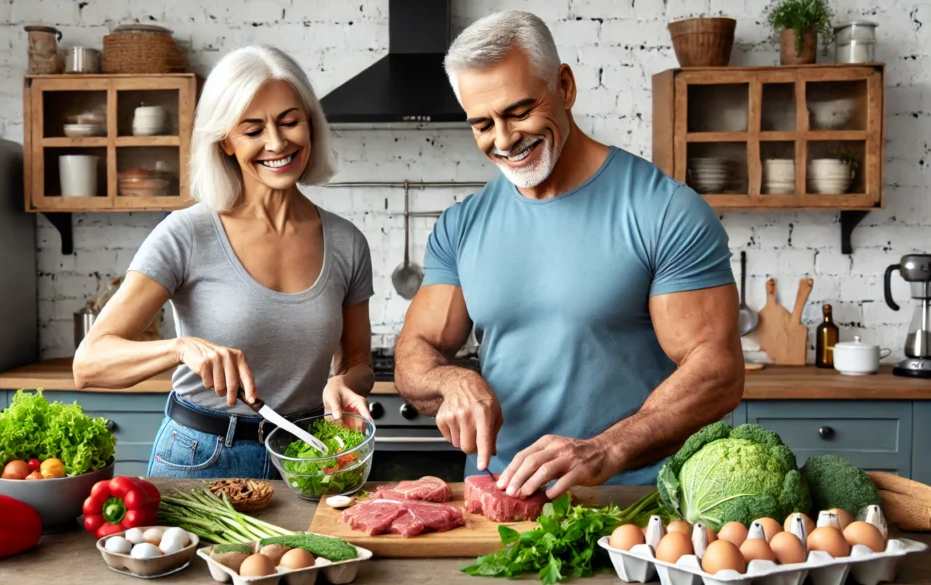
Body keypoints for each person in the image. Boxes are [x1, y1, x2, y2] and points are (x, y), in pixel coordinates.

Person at [394, 11, 745, 498]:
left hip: (631, 501)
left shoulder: (664, 210)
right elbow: (415, 353)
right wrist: (451, 379)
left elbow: (717, 372)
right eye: (482, 124)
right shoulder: (463, 224)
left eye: (518, 111)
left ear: (565, 86)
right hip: (502, 494)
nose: (503, 139)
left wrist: (606, 448)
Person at [73, 45, 375, 479]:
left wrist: (343, 383)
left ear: (310, 124)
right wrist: (181, 348)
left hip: (308, 458)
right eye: (253, 130)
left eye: (290, 121)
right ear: (225, 142)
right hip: (203, 456)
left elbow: (358, 362)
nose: (277, 142)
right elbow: (89, 364)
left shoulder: (347, 242)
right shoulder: (187, 234)